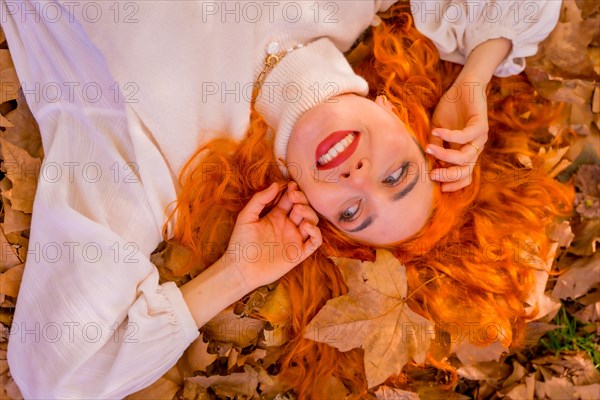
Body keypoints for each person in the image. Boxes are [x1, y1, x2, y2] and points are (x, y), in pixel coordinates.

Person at [1, 0, 571, 398]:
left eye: (351, 211)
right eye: (399, 173)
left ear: (307, 206)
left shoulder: (153, 159)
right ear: (405, 115)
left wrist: (233, 275)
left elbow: (58, 374)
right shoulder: (348, 11)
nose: (357, 175)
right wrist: (474, 73)